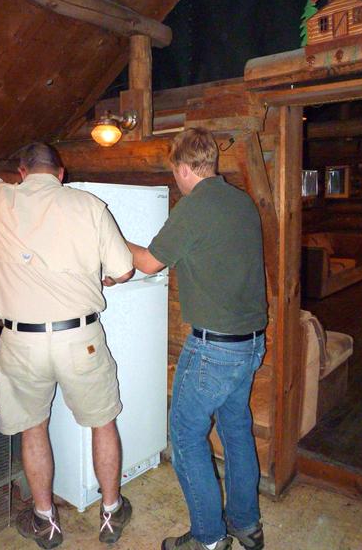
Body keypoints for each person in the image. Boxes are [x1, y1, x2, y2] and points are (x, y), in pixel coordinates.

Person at [0, 142, 134, 549]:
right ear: (61, 173)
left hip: (21, 342)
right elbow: (124, 268)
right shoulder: (89, 205)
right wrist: (104, 278)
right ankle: (111, 512)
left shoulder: (0, 197)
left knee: (34, 428)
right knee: (103, 421)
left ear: (23, 171)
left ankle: (46, 522)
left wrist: (10, 187)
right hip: (79, 338)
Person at [127, 128, 267, 550]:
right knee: (236, 429)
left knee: (186, 434)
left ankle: (208, 539)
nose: (176, 179)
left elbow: (149, 263)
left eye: (175, 171)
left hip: (214, 349)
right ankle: (246, 525)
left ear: (185, 168)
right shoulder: (240, 202)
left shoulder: (194, 207)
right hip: (250, 344)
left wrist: (109, 238)